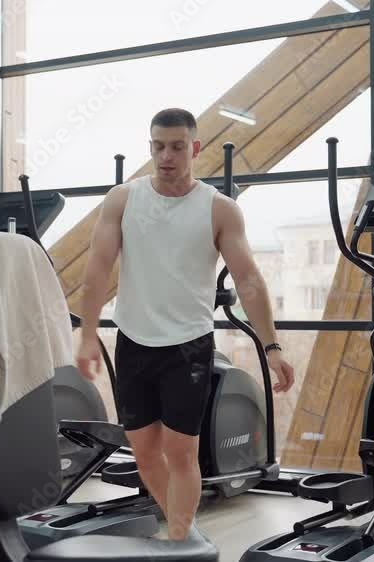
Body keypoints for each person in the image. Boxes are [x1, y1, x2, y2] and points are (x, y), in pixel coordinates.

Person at [75, 108, 295, 542]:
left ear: (194, 148)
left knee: (180, 452)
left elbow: (249, 281)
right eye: (158, 146)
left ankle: (178, 541)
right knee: (144, 453)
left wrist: (272, 347)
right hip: (133, 339)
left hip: (188, 345)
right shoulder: (123, 199)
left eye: (176, 147)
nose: (166, 156)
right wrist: (86, 336)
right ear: (150, 147)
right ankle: (187, 532)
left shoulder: (219, 209)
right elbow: (97, 268)